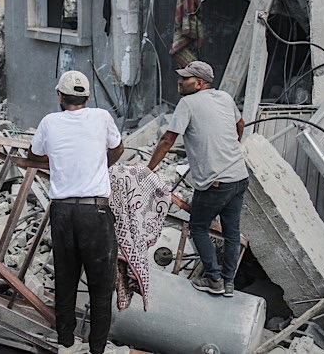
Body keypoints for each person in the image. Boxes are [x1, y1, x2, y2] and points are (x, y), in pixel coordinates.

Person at [28, 71, 125, 354]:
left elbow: (34, 154)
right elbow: (118, 149)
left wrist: (61, 158)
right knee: (101, 284)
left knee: (66, 279)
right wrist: (98, 164)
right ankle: (97, 349)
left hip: (62, 212)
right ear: (88, 97)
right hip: (94, 211)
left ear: (59, 96)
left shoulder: (49, 122)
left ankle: (66, 346)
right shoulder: (101, 117)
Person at [147, 60, 247, 297]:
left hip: (215, 183)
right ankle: (228, 283)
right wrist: (230, 148)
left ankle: (214, 278)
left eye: (185, 79)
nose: (180, 82)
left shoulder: (187, 103)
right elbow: (239, 125)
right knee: (231, 232)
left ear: (200, 83)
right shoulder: (224, 97)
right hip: (239, 176)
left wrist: (148, 170)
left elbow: (167, 140)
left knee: (198, 227)